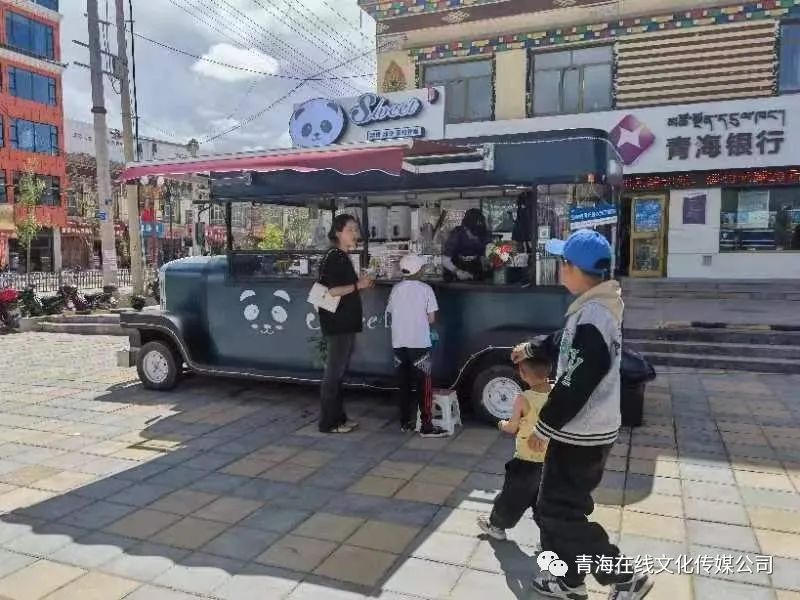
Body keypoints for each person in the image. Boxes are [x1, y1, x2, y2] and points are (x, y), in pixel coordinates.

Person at [512, 229, 652, 600]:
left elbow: (576, 382)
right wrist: (531, 347)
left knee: (559, 513)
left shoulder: (593, 317)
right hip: (581, 432)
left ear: (574, 269)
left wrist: (544, 425)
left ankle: (625, 578)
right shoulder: (595, 308)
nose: (559, 270)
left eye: (562, 263)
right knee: (552, 508)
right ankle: (570, 581)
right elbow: (563, 341)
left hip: (582, 434)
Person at [477, 351, 551, 541]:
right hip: (551, 461)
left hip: (526, 459)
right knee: (543, 502)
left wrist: (501, 423)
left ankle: (496, 527)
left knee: (511, 497)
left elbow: (512, 427)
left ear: (523, 374)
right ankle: (551, 538)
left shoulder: (523, 398)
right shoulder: (556, 393)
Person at [318, 214, 374, 434]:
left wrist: (358, 284)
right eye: (350, 229)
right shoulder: (335, 257)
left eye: (356, 229)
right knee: (333, 373)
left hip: (344, 322)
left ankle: (339, 418)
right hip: (337, 322)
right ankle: (328, 422)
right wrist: (358, 285)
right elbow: (332, 291)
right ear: (338, 232)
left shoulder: (341, 256)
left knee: (339, 373)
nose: (355, 234)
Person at [387, 254, 449, 438]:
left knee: (404, 383)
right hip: (419, 344)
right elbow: (431, 318)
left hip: (399, 343)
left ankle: (405, 423)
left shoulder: (396, 289)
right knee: (424, 383)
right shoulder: (426, 289)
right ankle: (427, 425)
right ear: (418, 270)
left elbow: (390, 313)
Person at [442, 208, 491, 282]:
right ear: (465, 228)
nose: (476, 237)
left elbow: (487, 253)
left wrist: (487, 262)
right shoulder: (456, 234)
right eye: (473, 232)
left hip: (475, 266)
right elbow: (445, 260)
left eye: (478, 233)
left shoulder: (485, 234)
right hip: (456, 266)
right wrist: (458, 272)